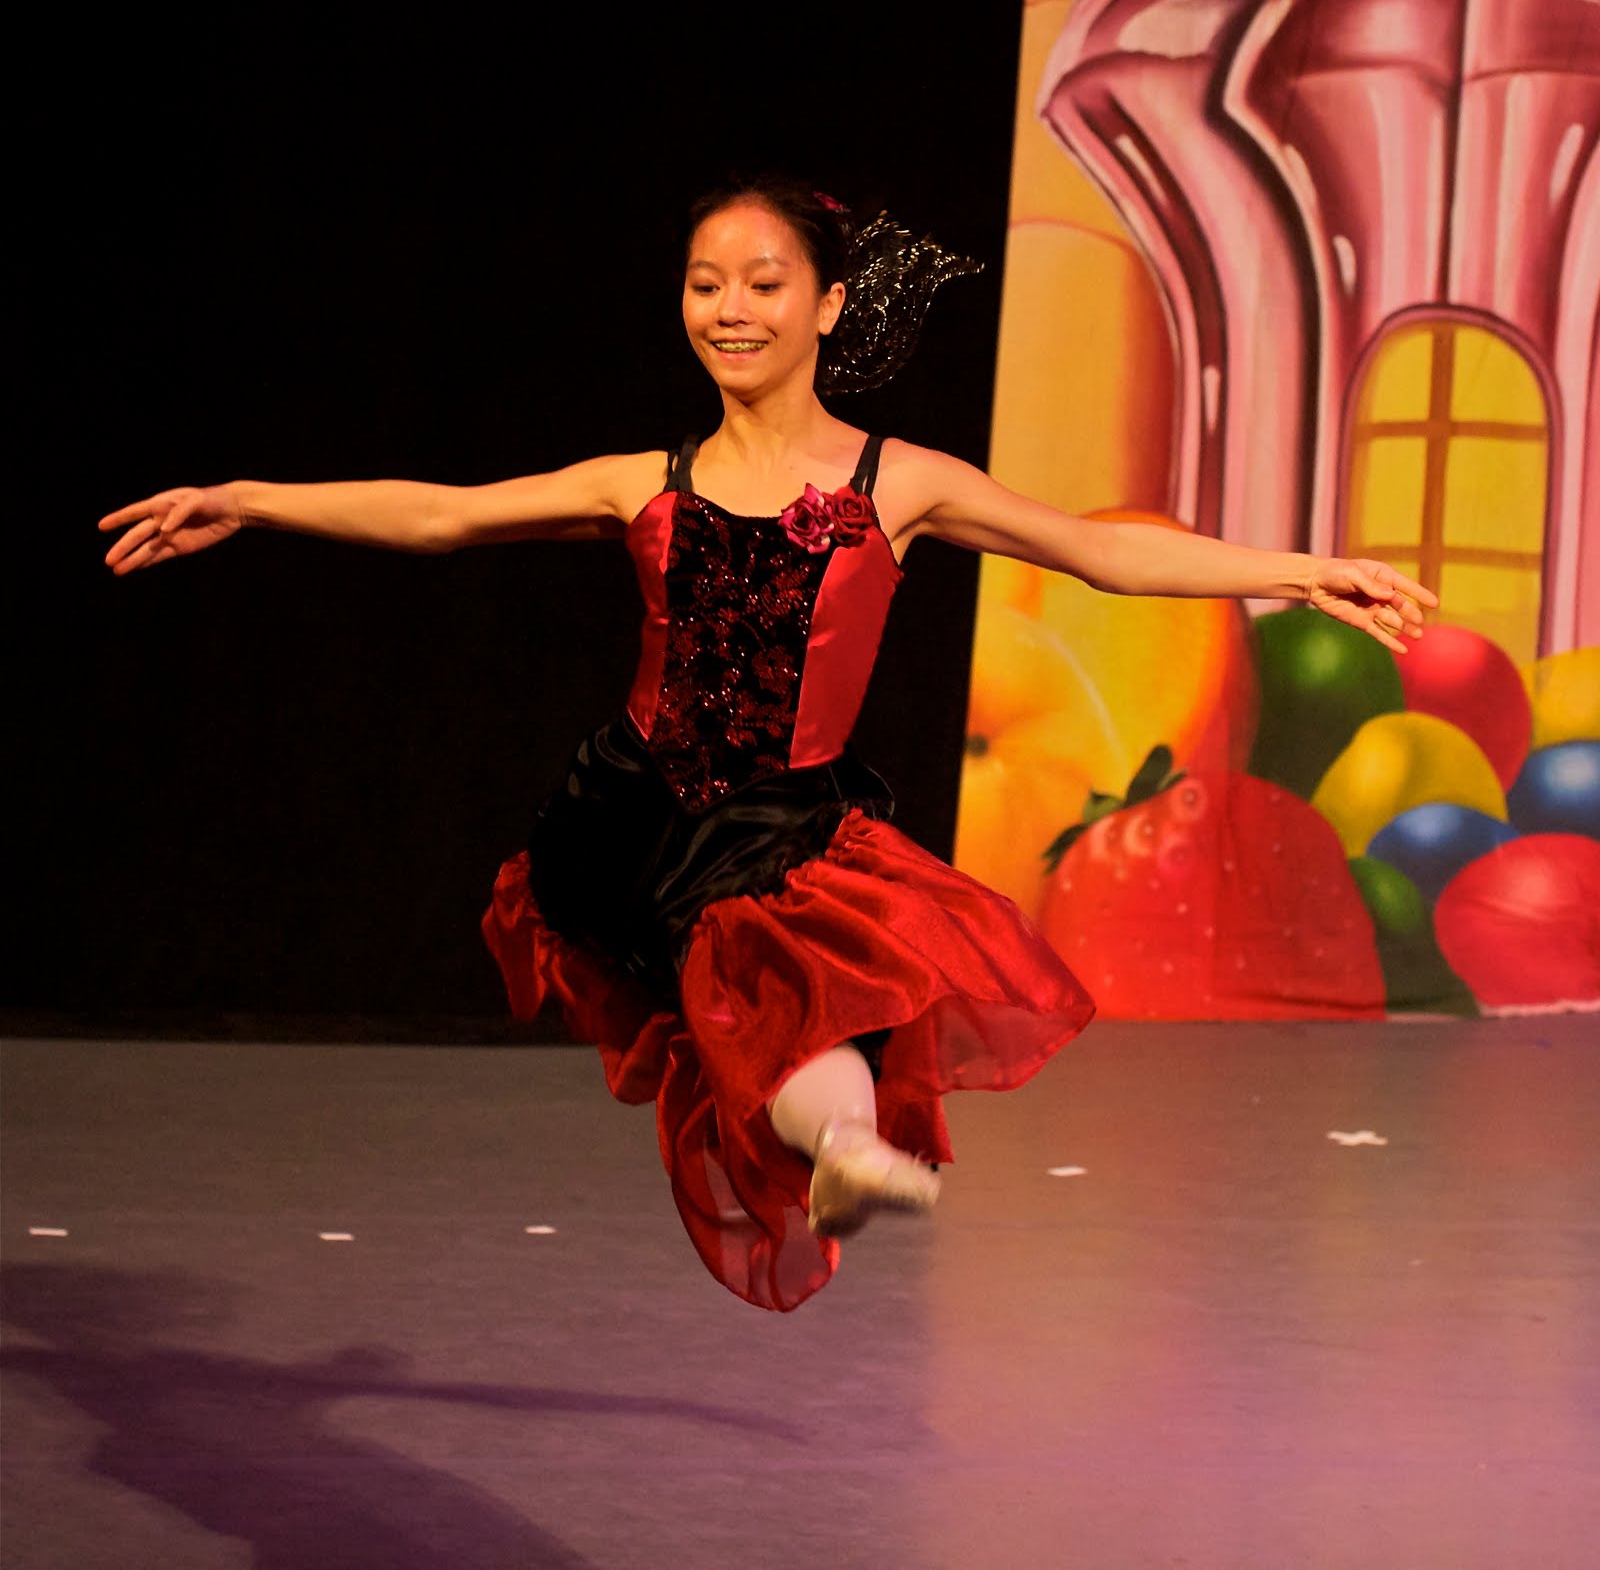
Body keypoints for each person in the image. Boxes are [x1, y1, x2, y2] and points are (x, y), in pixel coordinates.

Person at [100, 174, 1435, 1311]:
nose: (730, 310)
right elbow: (444, 514)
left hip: (774, 818)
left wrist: (1300, 569)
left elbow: (1098, 553)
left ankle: (845, 1145)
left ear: (831, 305)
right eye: (705, 285)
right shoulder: (645, 481)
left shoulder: (897, 482)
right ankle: (840, 1132)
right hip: (629, 815)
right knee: (758, 954)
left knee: (787, 971)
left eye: (762, 283)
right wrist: (249, 499)